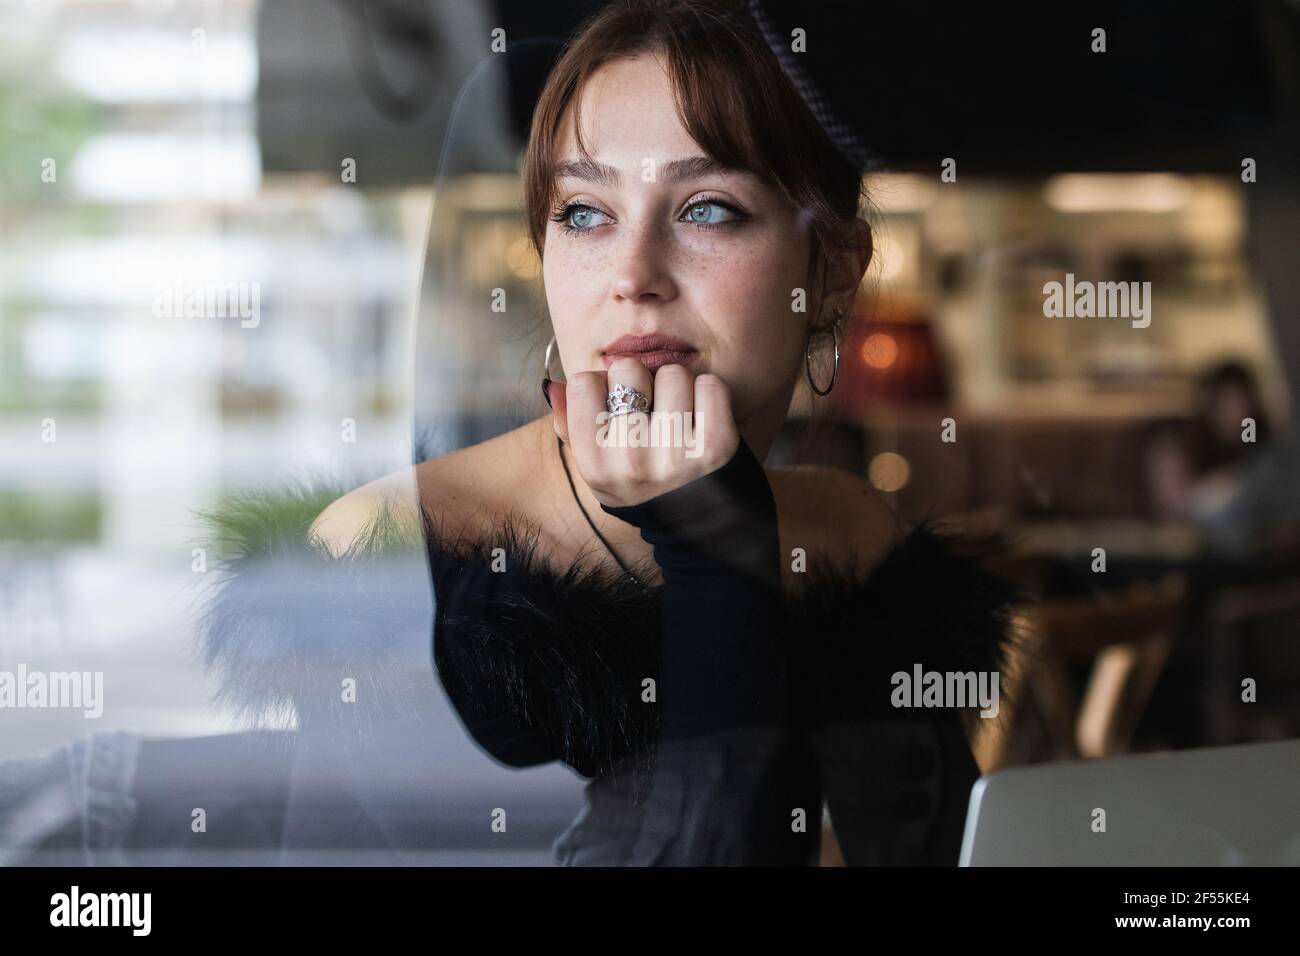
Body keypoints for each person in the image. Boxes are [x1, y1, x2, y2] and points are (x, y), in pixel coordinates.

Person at [299, 0, 1022, 865]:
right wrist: (716, 548)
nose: (633, 274)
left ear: (832, 273)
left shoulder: (851, 531)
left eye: (708, 208)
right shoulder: (394, 542)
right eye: (584, 212)